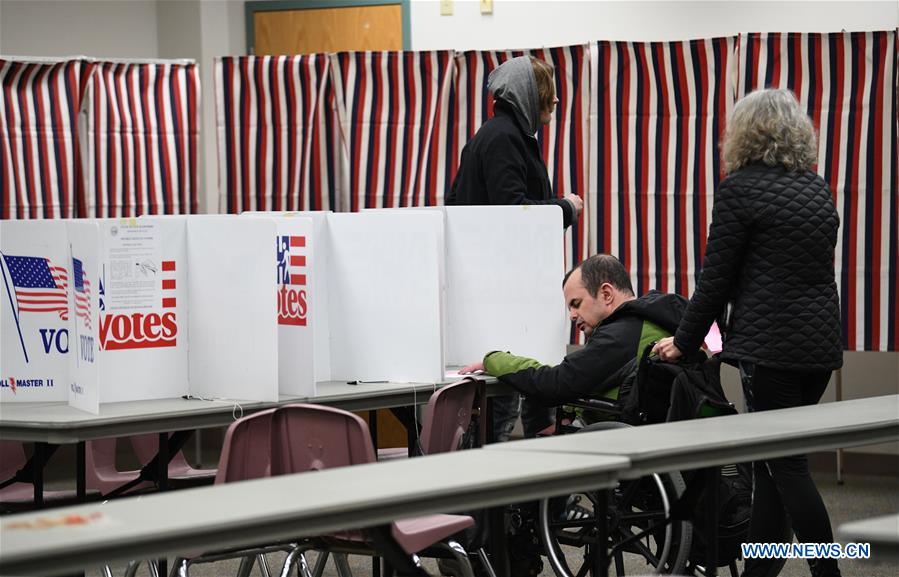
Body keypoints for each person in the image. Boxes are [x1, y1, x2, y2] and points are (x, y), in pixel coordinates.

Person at [653, 88, 843, 577]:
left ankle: (830, 572)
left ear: (743, 133)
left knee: (788, 468)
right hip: (819, 352)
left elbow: (716, 280)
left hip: (772, 353)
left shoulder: (739, 189)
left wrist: (685, 340)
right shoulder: (815, 187)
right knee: (770, 466)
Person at [447, 55, 583, 442]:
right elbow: (512, 213)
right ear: (528, 95)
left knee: (497, 410)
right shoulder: (506, 138)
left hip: (489, 291)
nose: (555, 101)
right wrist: (564, 208)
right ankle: (490, 500)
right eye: (548, 93)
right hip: (505, 299)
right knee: (501, 411)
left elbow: (458, 204)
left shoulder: (491, 136)